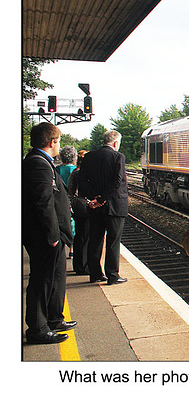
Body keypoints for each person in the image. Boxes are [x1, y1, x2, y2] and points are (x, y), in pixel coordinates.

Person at [22, 122, 76, 344]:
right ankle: (37, 328)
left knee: (55, 277)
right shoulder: (38, 164)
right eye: (59, 140)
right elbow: (43, 203)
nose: (59, 145)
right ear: (52, 141)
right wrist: (52, 235)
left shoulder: (41, 162)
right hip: (45, 236)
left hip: (52, 234)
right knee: (42, 280)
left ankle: (54, 318)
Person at [78, 130, 128, 285]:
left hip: (95, 207)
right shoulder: (118, 157)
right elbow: (117, 181)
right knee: (113, 240)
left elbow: (82, 180)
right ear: (115, 143)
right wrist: (103, 199)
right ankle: (112, 275)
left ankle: (95, 274)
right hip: (114, 206)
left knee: (95, 239)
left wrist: (95, 198)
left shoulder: (89, 157)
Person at [68, 150, 90, 275]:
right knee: (86, 236)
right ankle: (84, 266)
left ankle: (77, 265)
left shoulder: (74, 172)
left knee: (79, 235)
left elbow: (70, 191)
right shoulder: (85, 174)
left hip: (76, 206)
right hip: (85, 207)